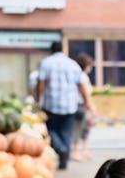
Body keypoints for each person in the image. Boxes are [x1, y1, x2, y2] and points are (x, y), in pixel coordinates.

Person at [37, 40, 91, 170]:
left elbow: (41, 84)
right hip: (69, 106)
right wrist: (87, 101)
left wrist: (38, 99)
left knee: (52, 131)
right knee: (66, 133)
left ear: (51, 50)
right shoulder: (72, 64)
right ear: (63, 49)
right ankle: (64, 161)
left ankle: (60, 149)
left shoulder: (46, 63)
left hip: (51, 105)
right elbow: (81, 86)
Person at [71, 52, 96, 161]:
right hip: (81, 106)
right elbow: (85, 93)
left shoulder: (80, 75)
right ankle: (76, 152)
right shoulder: (81, 76)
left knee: (84, 128)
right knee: (79, 129)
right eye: (89, 65)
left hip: (82, 106)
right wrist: (91, 106)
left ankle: (84, 150)